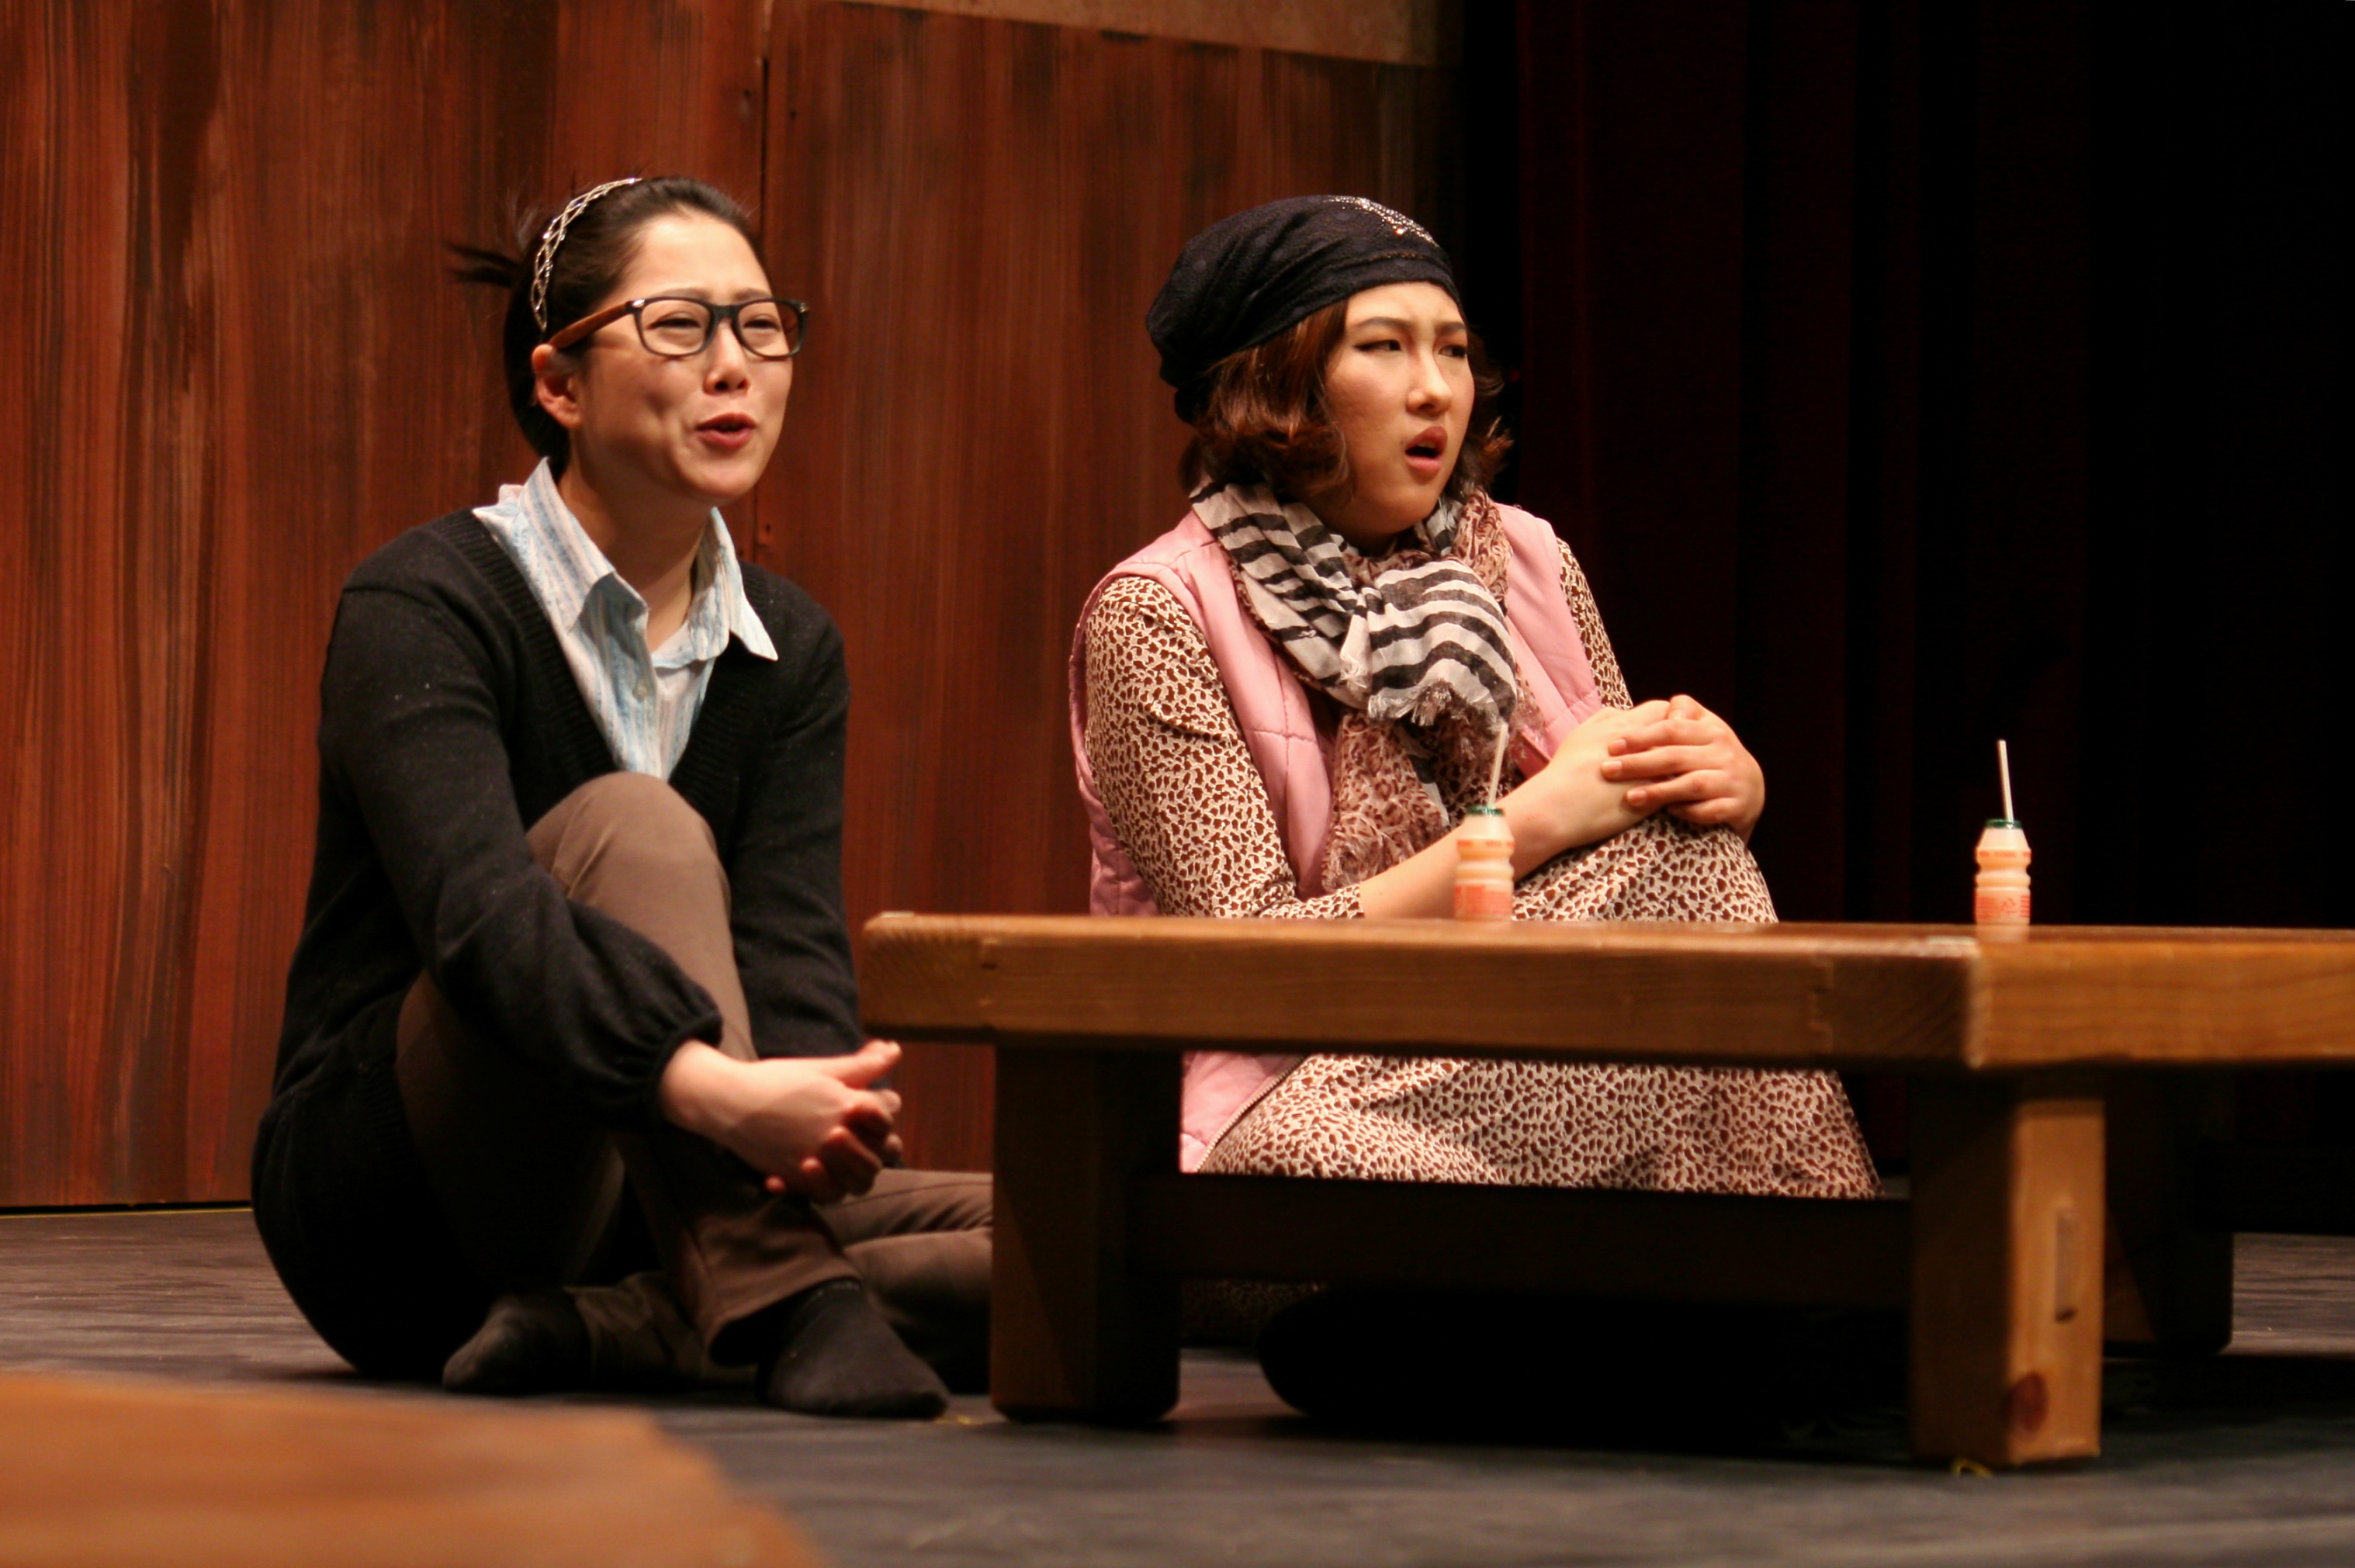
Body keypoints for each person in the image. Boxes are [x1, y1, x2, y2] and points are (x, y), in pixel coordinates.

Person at [1069, 196, 1881, 1393]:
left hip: (1521, 1064)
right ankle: (1745, 1307)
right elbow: (1242, 963)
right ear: (1271, 383)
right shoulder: (1156, 614)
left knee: (1690, 856)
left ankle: (1667, 1310)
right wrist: (1530, 826)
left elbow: (1630, 850)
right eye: (1384, 346)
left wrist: (1717, 785)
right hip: (1291, 1098)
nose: (1435, 389)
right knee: (1314, 1180)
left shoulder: (1530, 559)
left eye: (1452, 349)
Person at [252, 176, 987, 1420]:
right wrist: (709, 1089)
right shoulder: (425, 601)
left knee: (1075, 1248)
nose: (734, 365)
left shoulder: (791, 647)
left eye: (762, 325)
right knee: (635, 823)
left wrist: (814, 1115)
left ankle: (617, 1328)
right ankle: (785, 1296)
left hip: (650, 1205)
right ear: (560, 384)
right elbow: (481, 923)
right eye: (681, 325)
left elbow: (790, 945)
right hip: (402, 1207)